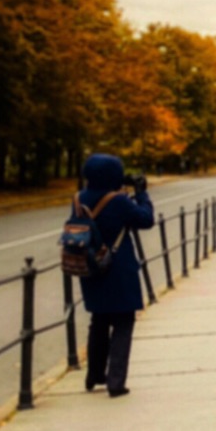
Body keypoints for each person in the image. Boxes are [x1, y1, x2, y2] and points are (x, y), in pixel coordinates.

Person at [76, 155, 155, 397]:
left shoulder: (79, 199)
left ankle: (94, 374)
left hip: (91, 267)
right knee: (123, 322)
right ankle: (116, 380)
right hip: (118, 268)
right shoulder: (119, 201)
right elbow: (145, 219)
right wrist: (141, 194)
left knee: (98, 321)